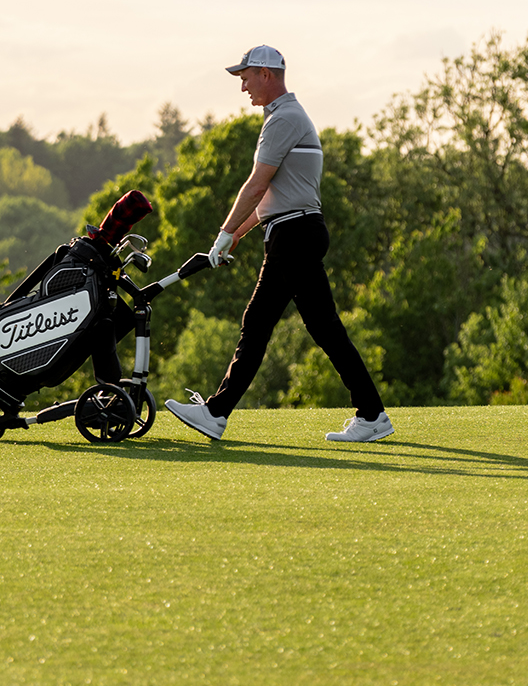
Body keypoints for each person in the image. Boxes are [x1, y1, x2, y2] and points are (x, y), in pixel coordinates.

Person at [164, 45, 394, 443]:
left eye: (246, 78)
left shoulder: (284, 118)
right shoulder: (284, 117)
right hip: (293, 231)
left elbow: (256, 184)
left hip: (294, 235)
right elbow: (274, 194)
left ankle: (217, 413)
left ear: (266, 74)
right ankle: (371, 414)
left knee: (273, 326)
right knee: (307, 328)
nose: (243, 88)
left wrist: (223, 231)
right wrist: (236, 234)